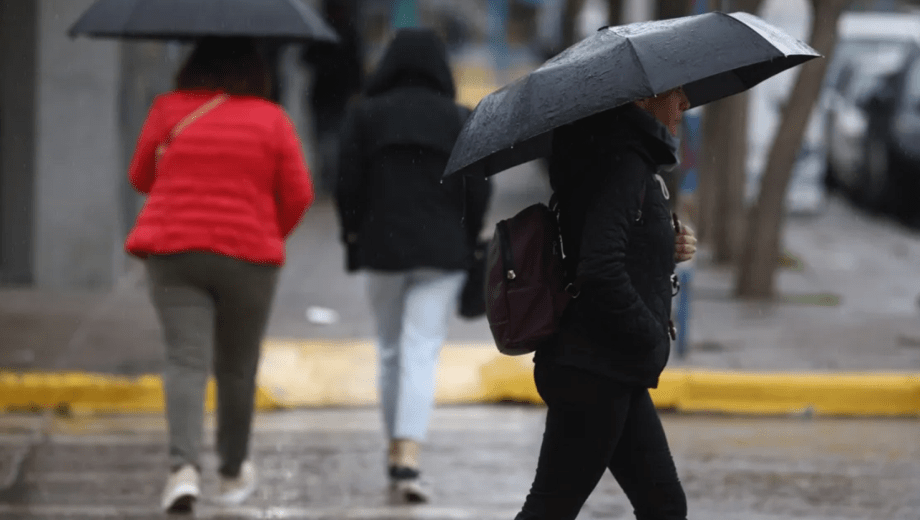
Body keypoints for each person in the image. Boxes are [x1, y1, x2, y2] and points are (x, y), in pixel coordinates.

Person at [124, 37, 314, 513]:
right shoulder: (271, 118)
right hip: (248, 255)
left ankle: (183, 469)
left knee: (185, 362)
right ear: (254, 69)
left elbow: (140, 177)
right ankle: (231, 470)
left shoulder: (169, 109)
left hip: (174, 250)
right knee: (237, 366)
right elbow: (299, 193)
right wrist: (270, 231)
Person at [514, 86, 696, 520]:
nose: (686, 104)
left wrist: (663, 245)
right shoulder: (623, 162)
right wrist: (649, 334)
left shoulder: (611, 154)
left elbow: (599, 244)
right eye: (676, 92)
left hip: (605, 363)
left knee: (663, 506)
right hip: (597, 366)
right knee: (551, 508)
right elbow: (599, 267)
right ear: (642, 98)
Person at [334, 28, 492, 504]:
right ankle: (408, 453)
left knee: (389, 350)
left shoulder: (366, 117)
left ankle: (394, 447)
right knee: (422, 349)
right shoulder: (459, 119)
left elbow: (347, 183)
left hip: (382, 248)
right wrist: (468, 238)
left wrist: (353, 232)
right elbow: (479, 189)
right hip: (443, 253)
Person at [301, 0, 364, 195]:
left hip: (332, 96)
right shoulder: (338, 31)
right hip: (329, 96)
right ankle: (330, 179)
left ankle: (330, 179)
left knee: (330, 140)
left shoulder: (331, 31)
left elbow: (355, 67)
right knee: (328, 140)